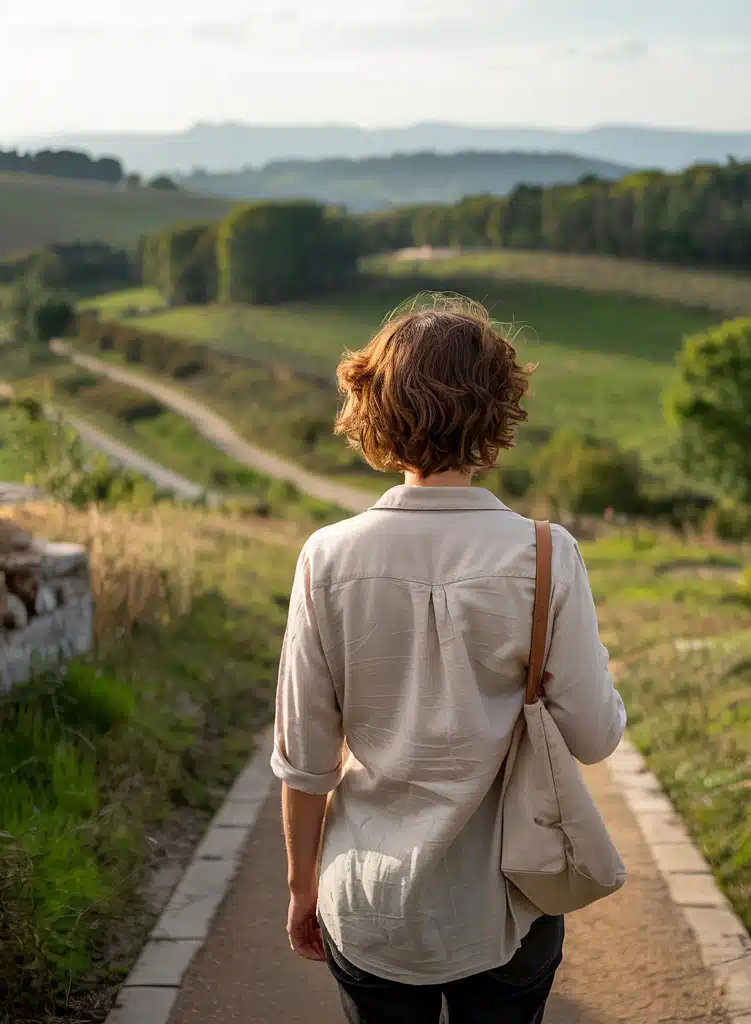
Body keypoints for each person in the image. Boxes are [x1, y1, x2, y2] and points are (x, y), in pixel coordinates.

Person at [271, 294, 627, 1024]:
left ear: (372, 406)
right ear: (498, 412)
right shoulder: (545, 553)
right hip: (506, 905)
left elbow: (305, 760)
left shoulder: (326, 558)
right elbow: (594, 736)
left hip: (368, 904)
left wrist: (303, 887)